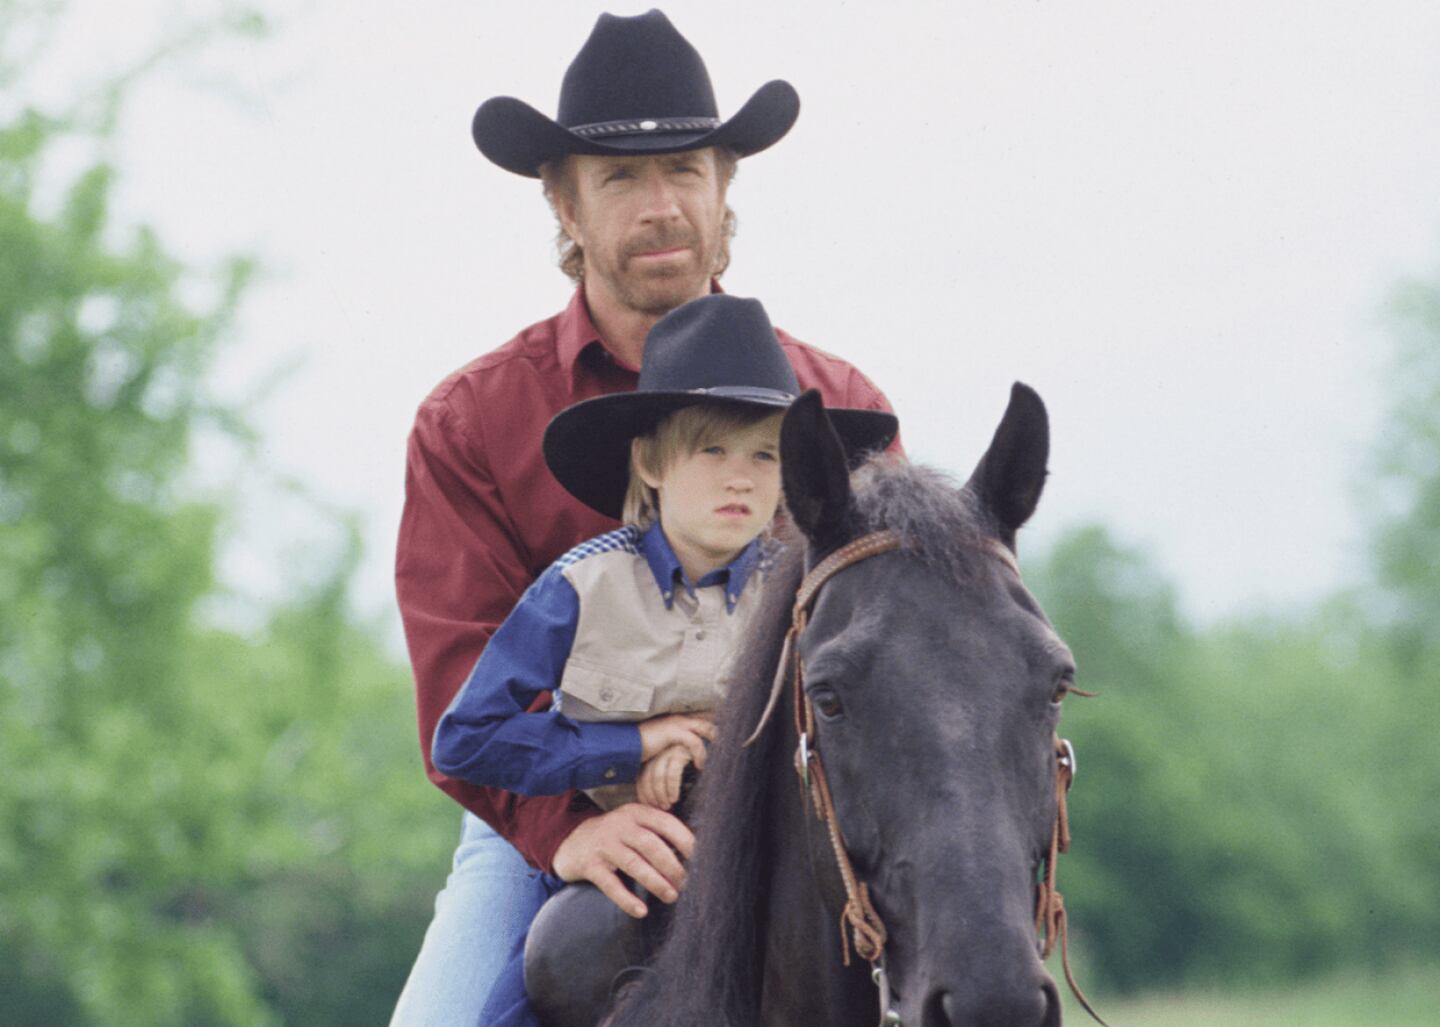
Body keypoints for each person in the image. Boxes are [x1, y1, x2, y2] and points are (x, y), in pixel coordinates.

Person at [391, 9, 901, 1024]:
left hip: (800, 808)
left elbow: (895, 653)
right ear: (563, 202)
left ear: (725, 185)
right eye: (621, 177)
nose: (662, 206)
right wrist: (567, 828)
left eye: (685, 170)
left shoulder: (840, 408)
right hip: (553, 807)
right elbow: (463, 681)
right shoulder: (470, 422)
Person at [430, 294, 896, 1026]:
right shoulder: (578, 589)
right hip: (614, 865)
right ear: (650, 461)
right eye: (713, 450)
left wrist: (706, 751)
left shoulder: (801, 595)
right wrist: (632, 746)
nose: (741, 478)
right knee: (509, 1005)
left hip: (770, 868)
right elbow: (467, 740)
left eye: (765, 454)